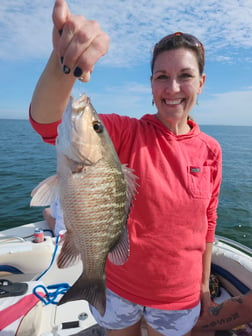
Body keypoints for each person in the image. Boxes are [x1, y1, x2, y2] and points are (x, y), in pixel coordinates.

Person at [29, 0, 222, 335]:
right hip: (117, 288)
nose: (172, 88)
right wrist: (64, 64)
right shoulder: (126, 132)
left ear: (201, 83)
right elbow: (47, 123)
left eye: (185, 76)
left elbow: (208, 222)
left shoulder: (211, 151)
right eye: (162, 77)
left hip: (179, 295)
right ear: (151, 84)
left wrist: (204, 286)